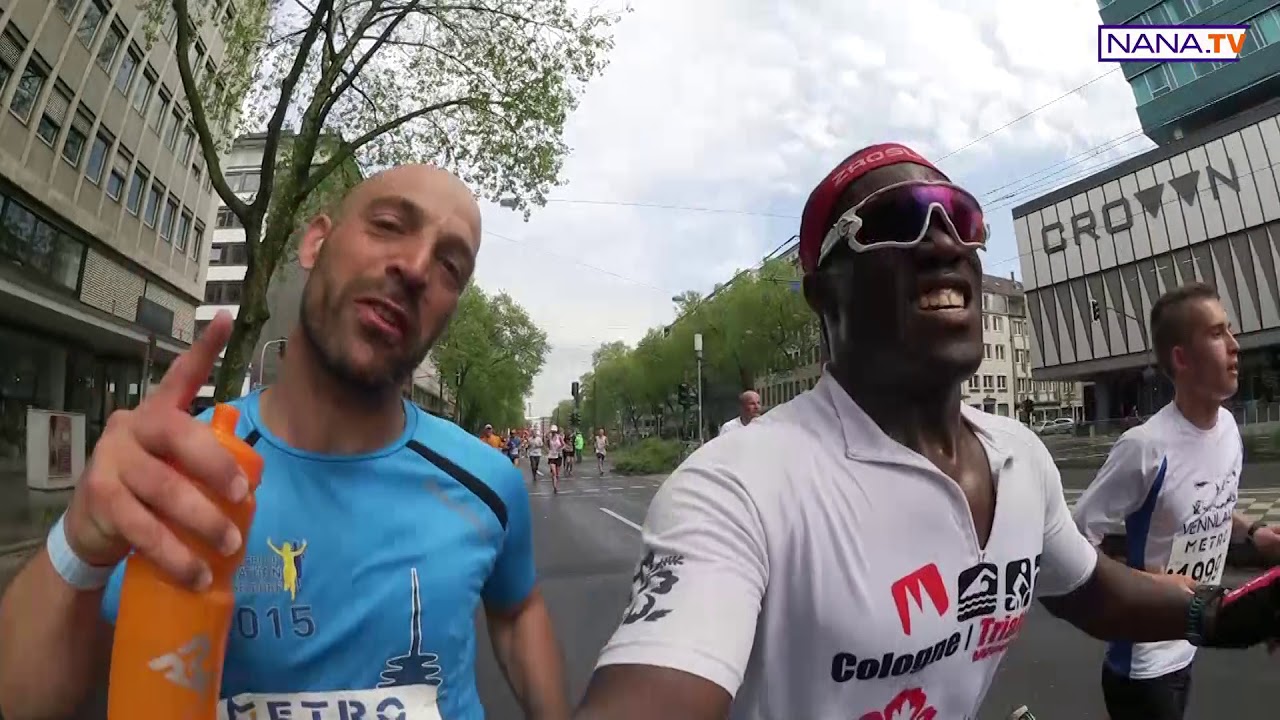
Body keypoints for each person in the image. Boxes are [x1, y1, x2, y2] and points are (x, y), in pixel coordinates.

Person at [571, 143, 1280, 720]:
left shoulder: (1020, 457)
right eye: (893, 220)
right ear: (822, 292)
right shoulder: (736, 486)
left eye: (961, 219)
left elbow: (1091, 590)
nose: (942, 241)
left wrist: (1228, 615)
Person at [0, 165, 568, 720]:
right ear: (315, 243)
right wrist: (79, 545)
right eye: (390, 225)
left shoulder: (487, 483)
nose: (417, 267)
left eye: (449, 265)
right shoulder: (178, 474)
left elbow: (517, 610)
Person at [1072, 281, 1280, 720]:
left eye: (1230, 330)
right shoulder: (1145, 447)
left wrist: (1254, 532)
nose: (1235, 345)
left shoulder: (1228, 430)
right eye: (1217, 333)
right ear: (1182, 359)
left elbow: (1209, 504)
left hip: (1189, 641)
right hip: (1142, 667)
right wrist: (1149, 584)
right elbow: (1074, 540)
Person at [546, 425, 565, 493]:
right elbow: (547, 445)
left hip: (558, 456)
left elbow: (563, 445)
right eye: (552, 431)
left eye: (554, 431)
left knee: (557, 473)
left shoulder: (559, 437)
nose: (553, 432)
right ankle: (555, 487)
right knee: (554, 473)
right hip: (551, 456)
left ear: (556, 431)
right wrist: (548, 450)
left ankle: (555, 483)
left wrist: (560, 449)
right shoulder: (549, 438)